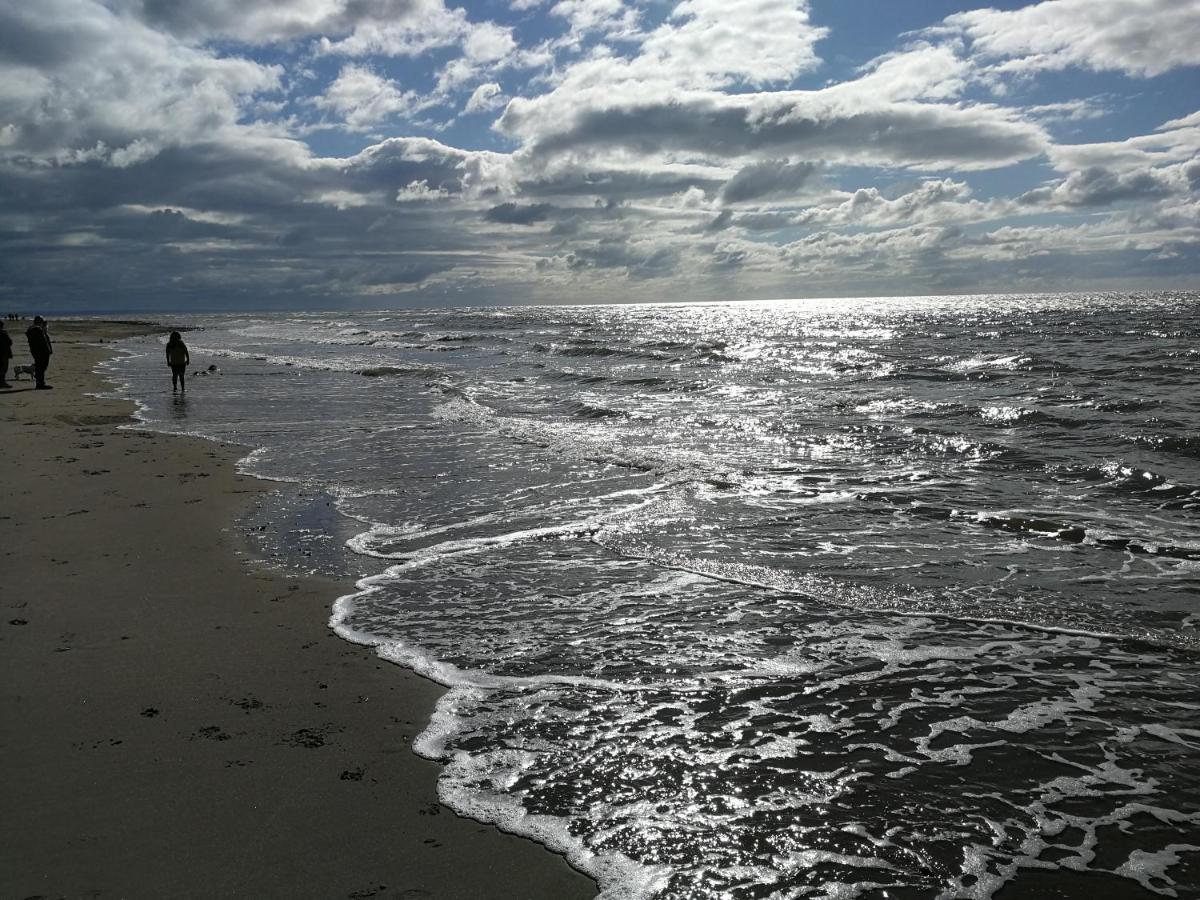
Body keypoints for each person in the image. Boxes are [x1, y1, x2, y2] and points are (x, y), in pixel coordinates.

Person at [26, 315, 52, 389]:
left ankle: (40, 381)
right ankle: (40, 383)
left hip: (37, 351)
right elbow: (43, 342)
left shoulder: (33, 330)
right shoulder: (37, 330)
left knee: (40, 366)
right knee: (41, 367)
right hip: (41, 351)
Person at [0, 320, 12, 388]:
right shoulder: (3, 333)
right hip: (4, 353)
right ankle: (2, 382)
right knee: (3, 368)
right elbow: (10, 342)